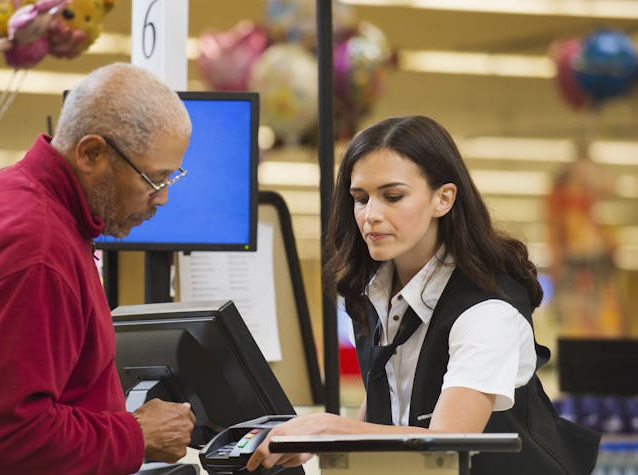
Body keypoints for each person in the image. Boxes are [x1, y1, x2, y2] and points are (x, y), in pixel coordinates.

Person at [0, 63, 196, 475]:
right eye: (154, 180)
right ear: (91, 153)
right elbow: (6, 438)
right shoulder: (40, 251)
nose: (162, 199)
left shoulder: (0, 196)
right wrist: (136, 435)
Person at [247, 115, 600, 474]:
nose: (371, 215)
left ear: (443, 199)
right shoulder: (376, 295)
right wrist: (320, 447)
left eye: (393, 196)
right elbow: (382, 410)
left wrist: (327, 429)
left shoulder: (487, 311)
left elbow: (447, 443)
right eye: (360, 198)